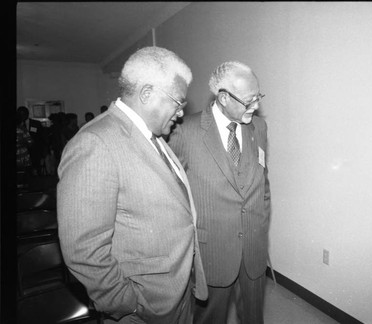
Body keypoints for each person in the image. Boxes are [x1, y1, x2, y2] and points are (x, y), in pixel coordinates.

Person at [57, 46, 208, 324]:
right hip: (142, 307)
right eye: (178, 102)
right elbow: (83, 250)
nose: (180, 113)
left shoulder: (155, 136)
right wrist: (127, 304)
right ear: (147, 93)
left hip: (176, 290)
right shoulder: (95, 143)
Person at [168, 61, 271, 324]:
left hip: (254, 252)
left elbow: (262, 184)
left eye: (258, 97)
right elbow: (171, 198)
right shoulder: (183, 131)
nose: (256, 106)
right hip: (211, 254)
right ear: (223, 98)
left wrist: (260, 223)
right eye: (249, 100)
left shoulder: (258, 128)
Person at [16, 106, 47, 176]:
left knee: (36, 172)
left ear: (27, 114)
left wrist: (43, 152)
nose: (22, 116)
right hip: (20, 154)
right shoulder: (17, 126)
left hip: (35, 152)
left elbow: (42, 138)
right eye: (20, 114)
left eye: (24, 114)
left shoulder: (36, 123)